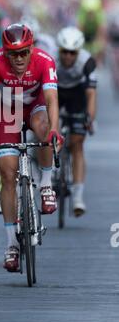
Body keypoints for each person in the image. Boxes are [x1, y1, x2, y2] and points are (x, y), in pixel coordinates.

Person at [0, 23, 63, 272]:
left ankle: (47, 184)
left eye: (23, 53)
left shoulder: (44, 60)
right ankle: (10, 246)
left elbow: (51, 99)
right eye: (13, 54)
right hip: (7, 111)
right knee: (7, 175)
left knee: (44, 127)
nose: (18, 59)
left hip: (35, 107)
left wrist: (54, 131)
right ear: (5, 52)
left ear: (31, 48)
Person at [56, 26, 97, 216]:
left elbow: (91, 94)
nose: (68, 57)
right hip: (55, 91)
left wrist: (89, 117)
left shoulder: (87, 61)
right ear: (59, 50)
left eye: (72, 53)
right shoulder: (51, 59)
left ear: (78, 52)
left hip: (77, 95)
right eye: (64, 52)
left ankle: (78, 197)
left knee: (77, 144)